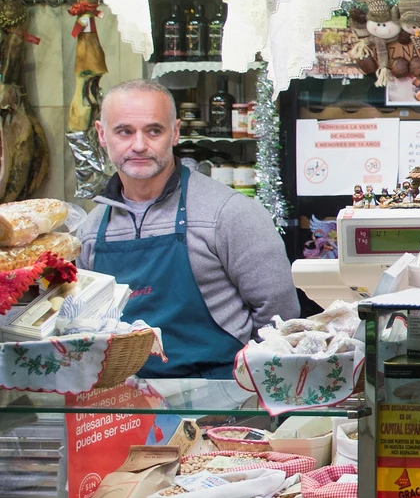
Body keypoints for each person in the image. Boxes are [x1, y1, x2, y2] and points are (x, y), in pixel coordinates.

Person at [77, 79, 297, 379]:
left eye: (154, 130)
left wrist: (246, 387)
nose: (139, 145)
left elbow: (280, 317)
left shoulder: (229, 212)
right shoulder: (92, 229)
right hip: (125, 402)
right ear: (102, 135)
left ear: (176, 132)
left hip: (220, 398)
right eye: (124, 131)